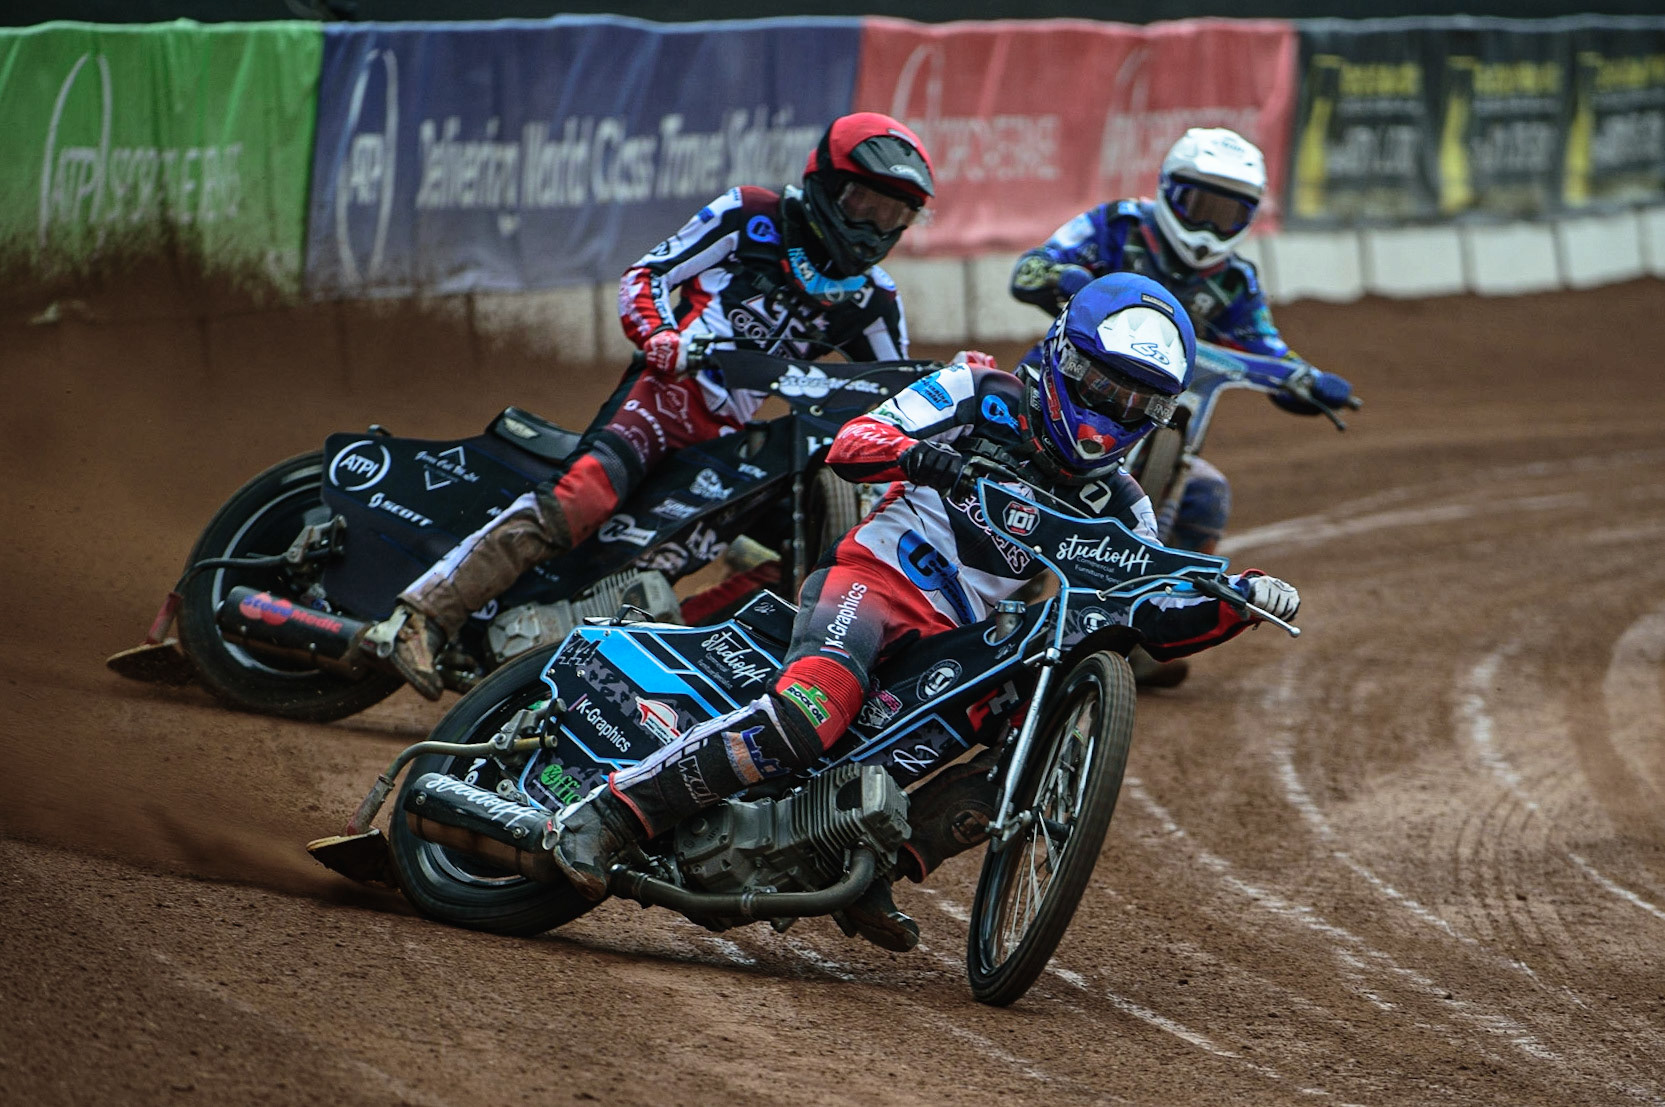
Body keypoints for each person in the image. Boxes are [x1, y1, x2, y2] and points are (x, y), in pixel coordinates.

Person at [551, 273, 1303, 951]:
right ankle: (613, 813)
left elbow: (1152, 620)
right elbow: (851, 442)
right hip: (872, 583)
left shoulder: (1122, 503)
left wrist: (1236, 602)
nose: (1112, 415)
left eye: (1138, 404)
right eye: (1104, 388)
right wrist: (916, 457)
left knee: (1019, 742)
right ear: (1063, 360)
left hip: (961, 642)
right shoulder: (978, 393)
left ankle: (869, 858)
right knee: (805, 716)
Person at [373, 112, 937, 700]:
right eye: (864, 203)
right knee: (582, 497)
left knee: (817, 559)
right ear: (823, 182)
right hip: (663, 398)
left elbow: (890, 397)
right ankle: (421, 616)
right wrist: (660, 335)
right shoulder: (751, 215)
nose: (874, 227)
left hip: (728, 436)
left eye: (893, 216)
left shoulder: (873, 301)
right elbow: (649, 273)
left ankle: (681, 660)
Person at [1009, 126, 1355, 556]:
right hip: (1053, 396)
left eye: (1228, 214)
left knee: (1204, 496)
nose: (1210, 227)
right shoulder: (1118, 225)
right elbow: (1029, 270)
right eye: (1200, 206)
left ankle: (1168, 606)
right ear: (1169, 191)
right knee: (999, 451)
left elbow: (1267, 348)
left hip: (1144, 421)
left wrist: (1306, 379)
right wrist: (1061, 275)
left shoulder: (1235, 281)